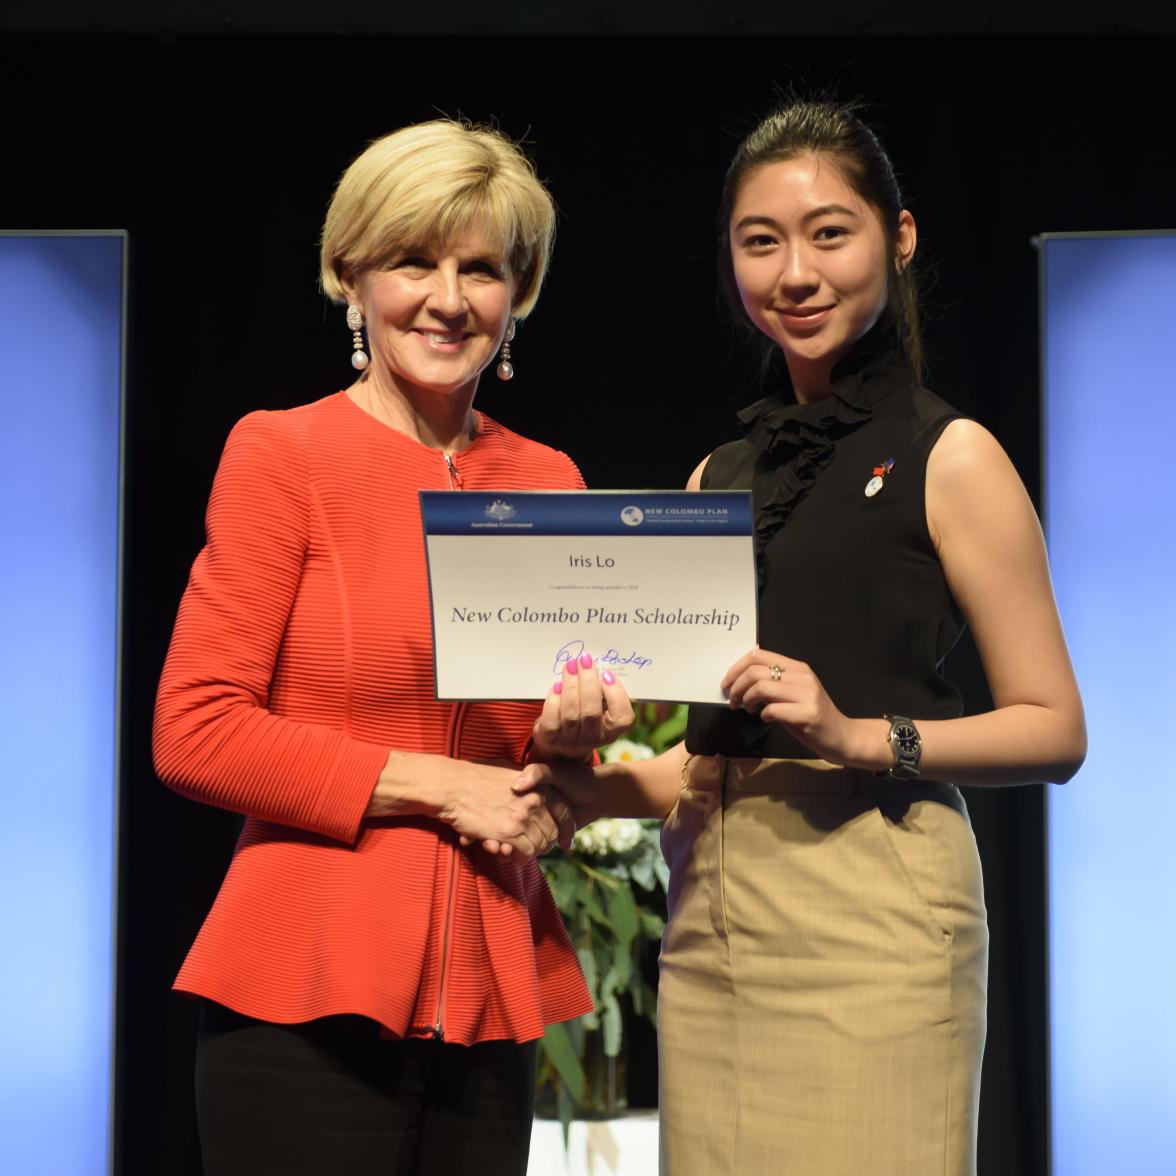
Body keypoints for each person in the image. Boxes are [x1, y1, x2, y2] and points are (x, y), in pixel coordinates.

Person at [518, 100, 1086, 1175]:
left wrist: (862, 734)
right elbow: (717, 751)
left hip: (878, 907)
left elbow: (1055, 730)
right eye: (760, 240)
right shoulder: (716, 480)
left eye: (831, 232)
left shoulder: (951, 454)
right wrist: (587, 793)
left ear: (899, 238)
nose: (795, 271)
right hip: (715, 910)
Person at [153, 119, 631, 1176]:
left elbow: (544, 793)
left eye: (483, 269)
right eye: (414, 261)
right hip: (300, 993)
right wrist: (438, 787)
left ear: (522, 294)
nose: (449, 298)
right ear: (350, 275)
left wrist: (566, 746)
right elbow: (194, 732)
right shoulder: (284, 454)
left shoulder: (550, 480)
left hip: (490, 994)